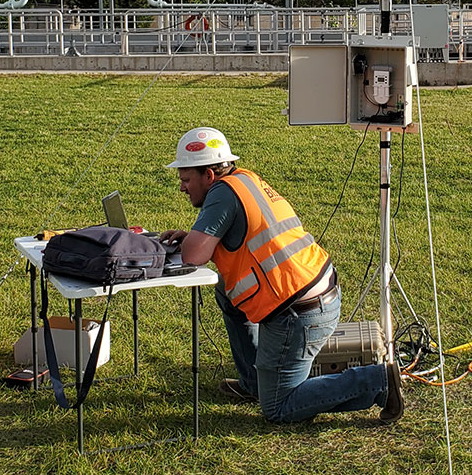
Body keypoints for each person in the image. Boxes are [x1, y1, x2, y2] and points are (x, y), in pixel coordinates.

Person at [160, 127, 403, 425]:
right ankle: (253, 382)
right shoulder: (244, 179)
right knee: (227, 291)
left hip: (298, 315)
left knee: (278, 406)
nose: (183, 188)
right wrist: (193, 236)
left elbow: (193, 256)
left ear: (209, 175)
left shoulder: (222, 194)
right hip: (314, 293)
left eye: (186, 180)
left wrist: (190, 241)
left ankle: (378, 381)